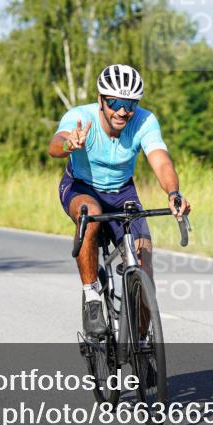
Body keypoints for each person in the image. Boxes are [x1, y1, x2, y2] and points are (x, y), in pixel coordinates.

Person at [48, 64, 191, 338]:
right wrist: (69, 144)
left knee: (145, 269)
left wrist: (173, 193)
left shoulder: (145, 122)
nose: (123, 111)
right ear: (101, 99)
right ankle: (92, 297)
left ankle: (142, 351)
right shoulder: (80, 117)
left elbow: (160, 161)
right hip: (80, 187)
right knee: (90, 214)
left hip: (123, 192)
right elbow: (55, 145)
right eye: (114, 102)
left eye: (130, 103)